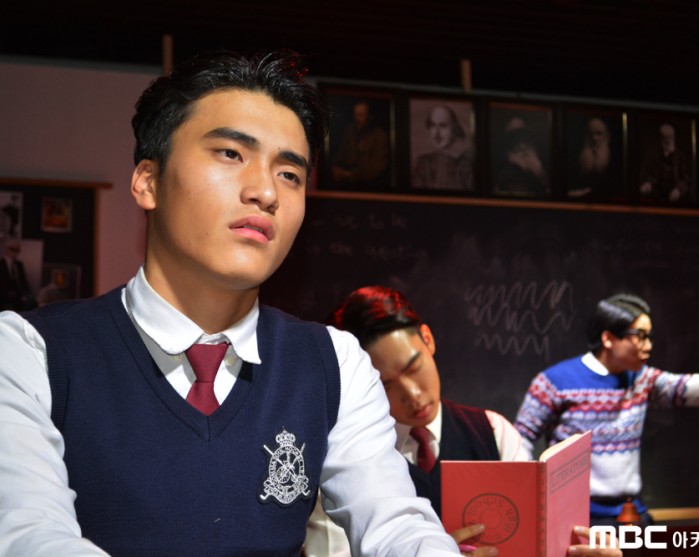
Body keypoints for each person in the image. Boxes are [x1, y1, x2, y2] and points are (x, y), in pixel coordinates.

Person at [0, 50, 463, 556]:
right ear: (148, 181)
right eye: (230, 153)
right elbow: (30, 535)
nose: (266, 191)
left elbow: (396, 524)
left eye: (290, 174)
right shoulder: (31, 353)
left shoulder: (333, 364)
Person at [305, 286, 621, 557]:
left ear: (427, 339)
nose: (412, 395)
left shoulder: (493, 432)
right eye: (385, 385)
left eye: (413, 367)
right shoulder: (346, 460)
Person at [513, 293, 699, 527]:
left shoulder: (642, 379)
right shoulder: (555, 382)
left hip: (630, 516)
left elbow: (691, 388)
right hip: (574, 518)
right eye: (640, 336)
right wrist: (530, 499)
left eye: (649, 336)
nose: (648, 346)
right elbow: (520, 438)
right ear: (608, 338)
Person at [411, 105, 474, 191]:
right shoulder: (423, 164)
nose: (436, 134)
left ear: (454, 129)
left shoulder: (465, 165)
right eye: (433, 125)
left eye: (443, 126)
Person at [330, 100, 389, 187]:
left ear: (370, 116)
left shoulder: (380, 136)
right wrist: (336, 168)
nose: (357, 119)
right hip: (346, 186)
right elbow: (340, 155)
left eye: (361, 115)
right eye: (356, 115)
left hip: (371, 186)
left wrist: (349, 174)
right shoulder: (349, 131)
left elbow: (377, 168)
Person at [493, 116, 549, 196]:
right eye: (515, 140)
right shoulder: (506, 173)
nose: (522, 146)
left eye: (524, 138)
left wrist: (540, 172)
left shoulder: (540, 162)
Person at [638, 123, 691, 203]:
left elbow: (687, 179)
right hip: (656, 197)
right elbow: (646, 174)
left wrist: (679, 190)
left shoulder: (681, 157)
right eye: (664, 138)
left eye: (669, 137)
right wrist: (648, 183)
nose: (667, 142)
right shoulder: (653, 156)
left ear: (674, 138)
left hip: (676, 199)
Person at [569, 117, 617, 201]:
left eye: (599, 134)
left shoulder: (616, 162)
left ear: (607, 136)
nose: (594, 138)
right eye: (590, 134)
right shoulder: (574, 159)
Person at [0, 240, 34, 311]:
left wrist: (27, 293)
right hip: (4, 298)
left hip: (18, 298)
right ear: (7, 249)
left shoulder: (19, 265)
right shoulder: (1, 264)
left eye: (17, 250)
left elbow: (23, 280)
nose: (15, 252)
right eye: (12, 249)